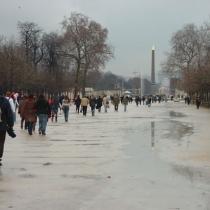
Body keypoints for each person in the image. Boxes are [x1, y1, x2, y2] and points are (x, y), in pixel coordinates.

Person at [0, 87, 14, 166]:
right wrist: (11, 125)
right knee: (1, 141)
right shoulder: (5, 101)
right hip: (2, 125)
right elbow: (9, 115)